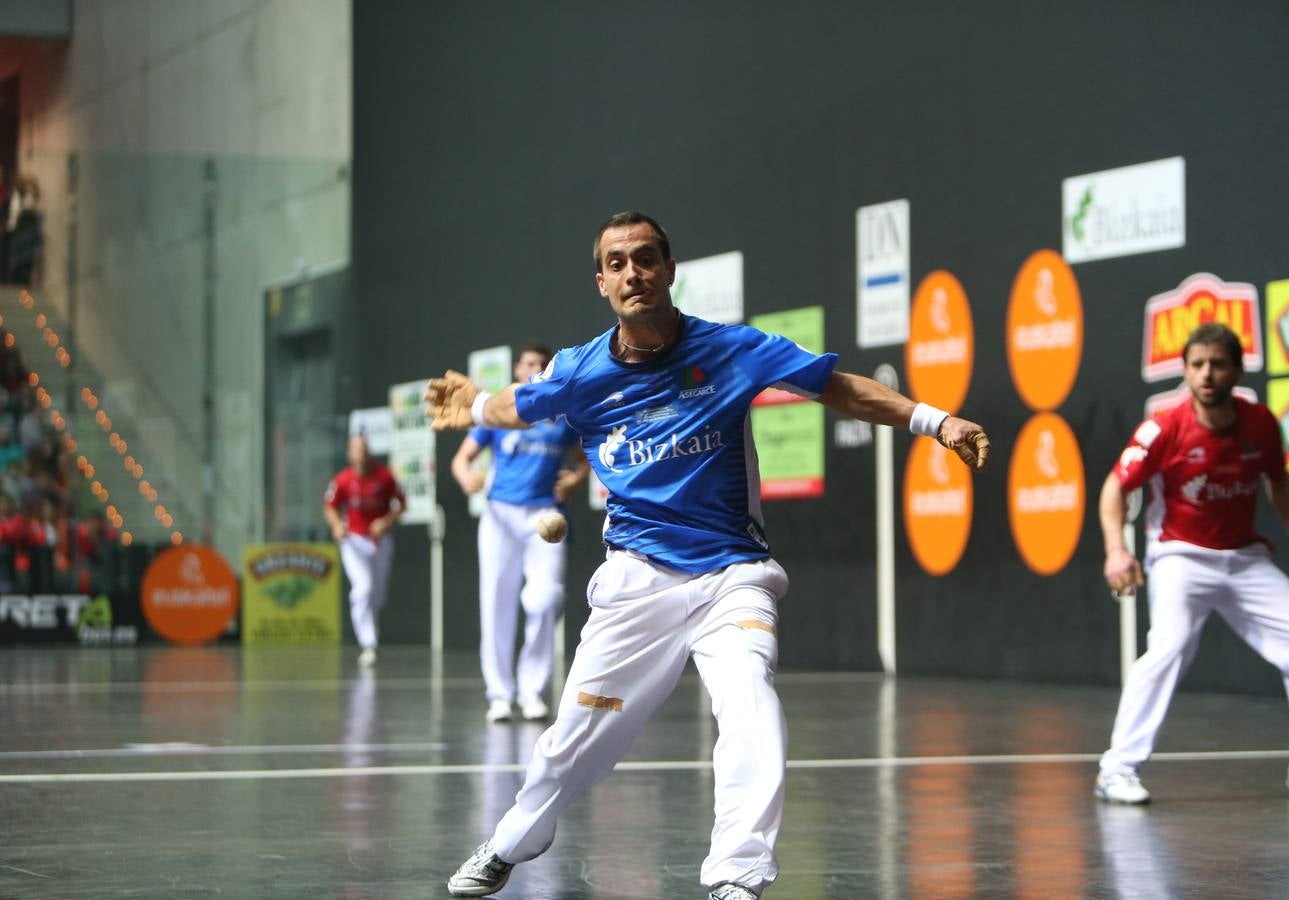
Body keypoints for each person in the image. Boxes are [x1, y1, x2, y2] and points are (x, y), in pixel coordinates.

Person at [426, 211, 991, 899]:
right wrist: (479, 404)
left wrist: (936, 420)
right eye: (618, 262)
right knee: (573, 736)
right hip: (637, 580)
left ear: (669, 269)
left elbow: (834, 387)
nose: (633, 272)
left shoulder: (732, 350)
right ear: (601, 280)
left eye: (646, 258)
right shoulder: (581, 371)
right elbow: (526, 403)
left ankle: (737, 875)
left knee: (750, 702)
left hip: (733, 575)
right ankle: (515, 838)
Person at [1095, 322, 1289, 804]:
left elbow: (1280, 482)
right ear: (1186, 371)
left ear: (1237, 370)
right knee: (1168, 648)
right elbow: (1115, 487)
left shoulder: (1260, 423)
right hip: (1179, 555)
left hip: (1243, 557)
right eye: (1196, 365)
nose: (1207, 374)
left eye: (1218, 364)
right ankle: (1116, 769)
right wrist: (1115, 550)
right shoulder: (1164, 427)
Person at [450, 343, 591, 724]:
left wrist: (573, 482)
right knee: (496, 602)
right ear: (517, 368)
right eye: (529, 363)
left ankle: (531, 690)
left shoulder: (562, 417)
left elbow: (585, 462)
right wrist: (468, 479)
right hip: (499, 516)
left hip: (545, 518)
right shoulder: (499, 411)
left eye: (542, 365)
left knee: (544, 599)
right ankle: (499, 694)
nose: (535, 369)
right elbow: (461, 460)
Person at [323, 434, 405, 667]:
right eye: (356, 448)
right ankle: (368, 644)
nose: (361, 452)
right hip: (353, 541)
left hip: (381, 542)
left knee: (377, 595)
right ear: (349, 454)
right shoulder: (342, 480)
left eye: (364, 447)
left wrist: (385, 521)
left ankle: (371, 630)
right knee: (363, 589)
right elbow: (329, 507)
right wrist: (337, 524)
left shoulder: (385, 476)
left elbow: (401, 504)